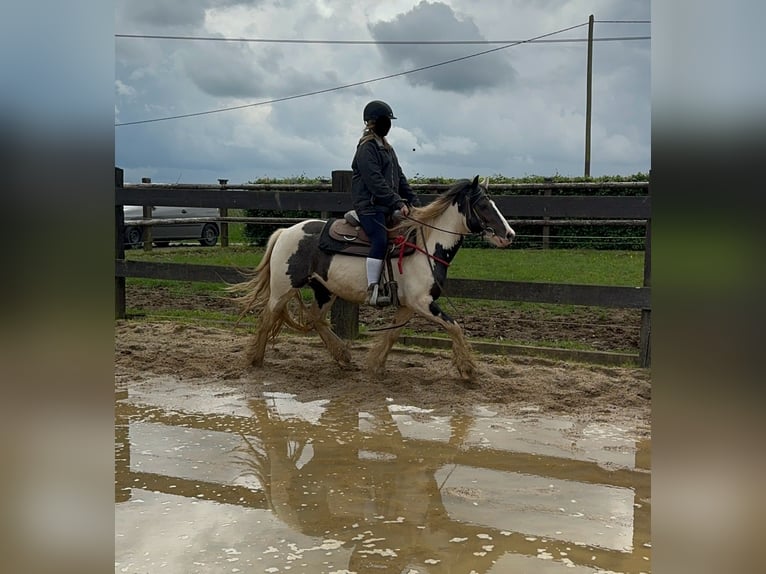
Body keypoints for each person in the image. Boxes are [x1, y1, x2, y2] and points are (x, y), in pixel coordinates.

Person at [351, 100, 420, 306]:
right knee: (380, 240)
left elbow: (400, 179)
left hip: (386, 206)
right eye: (385, 121)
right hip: (369, 206)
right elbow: (375, 182)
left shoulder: (388, 149)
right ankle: (372, 289)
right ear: (372, 122)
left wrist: (416, 203)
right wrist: (398, 202)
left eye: (389, 121)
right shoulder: (366, 149)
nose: (388, 125)